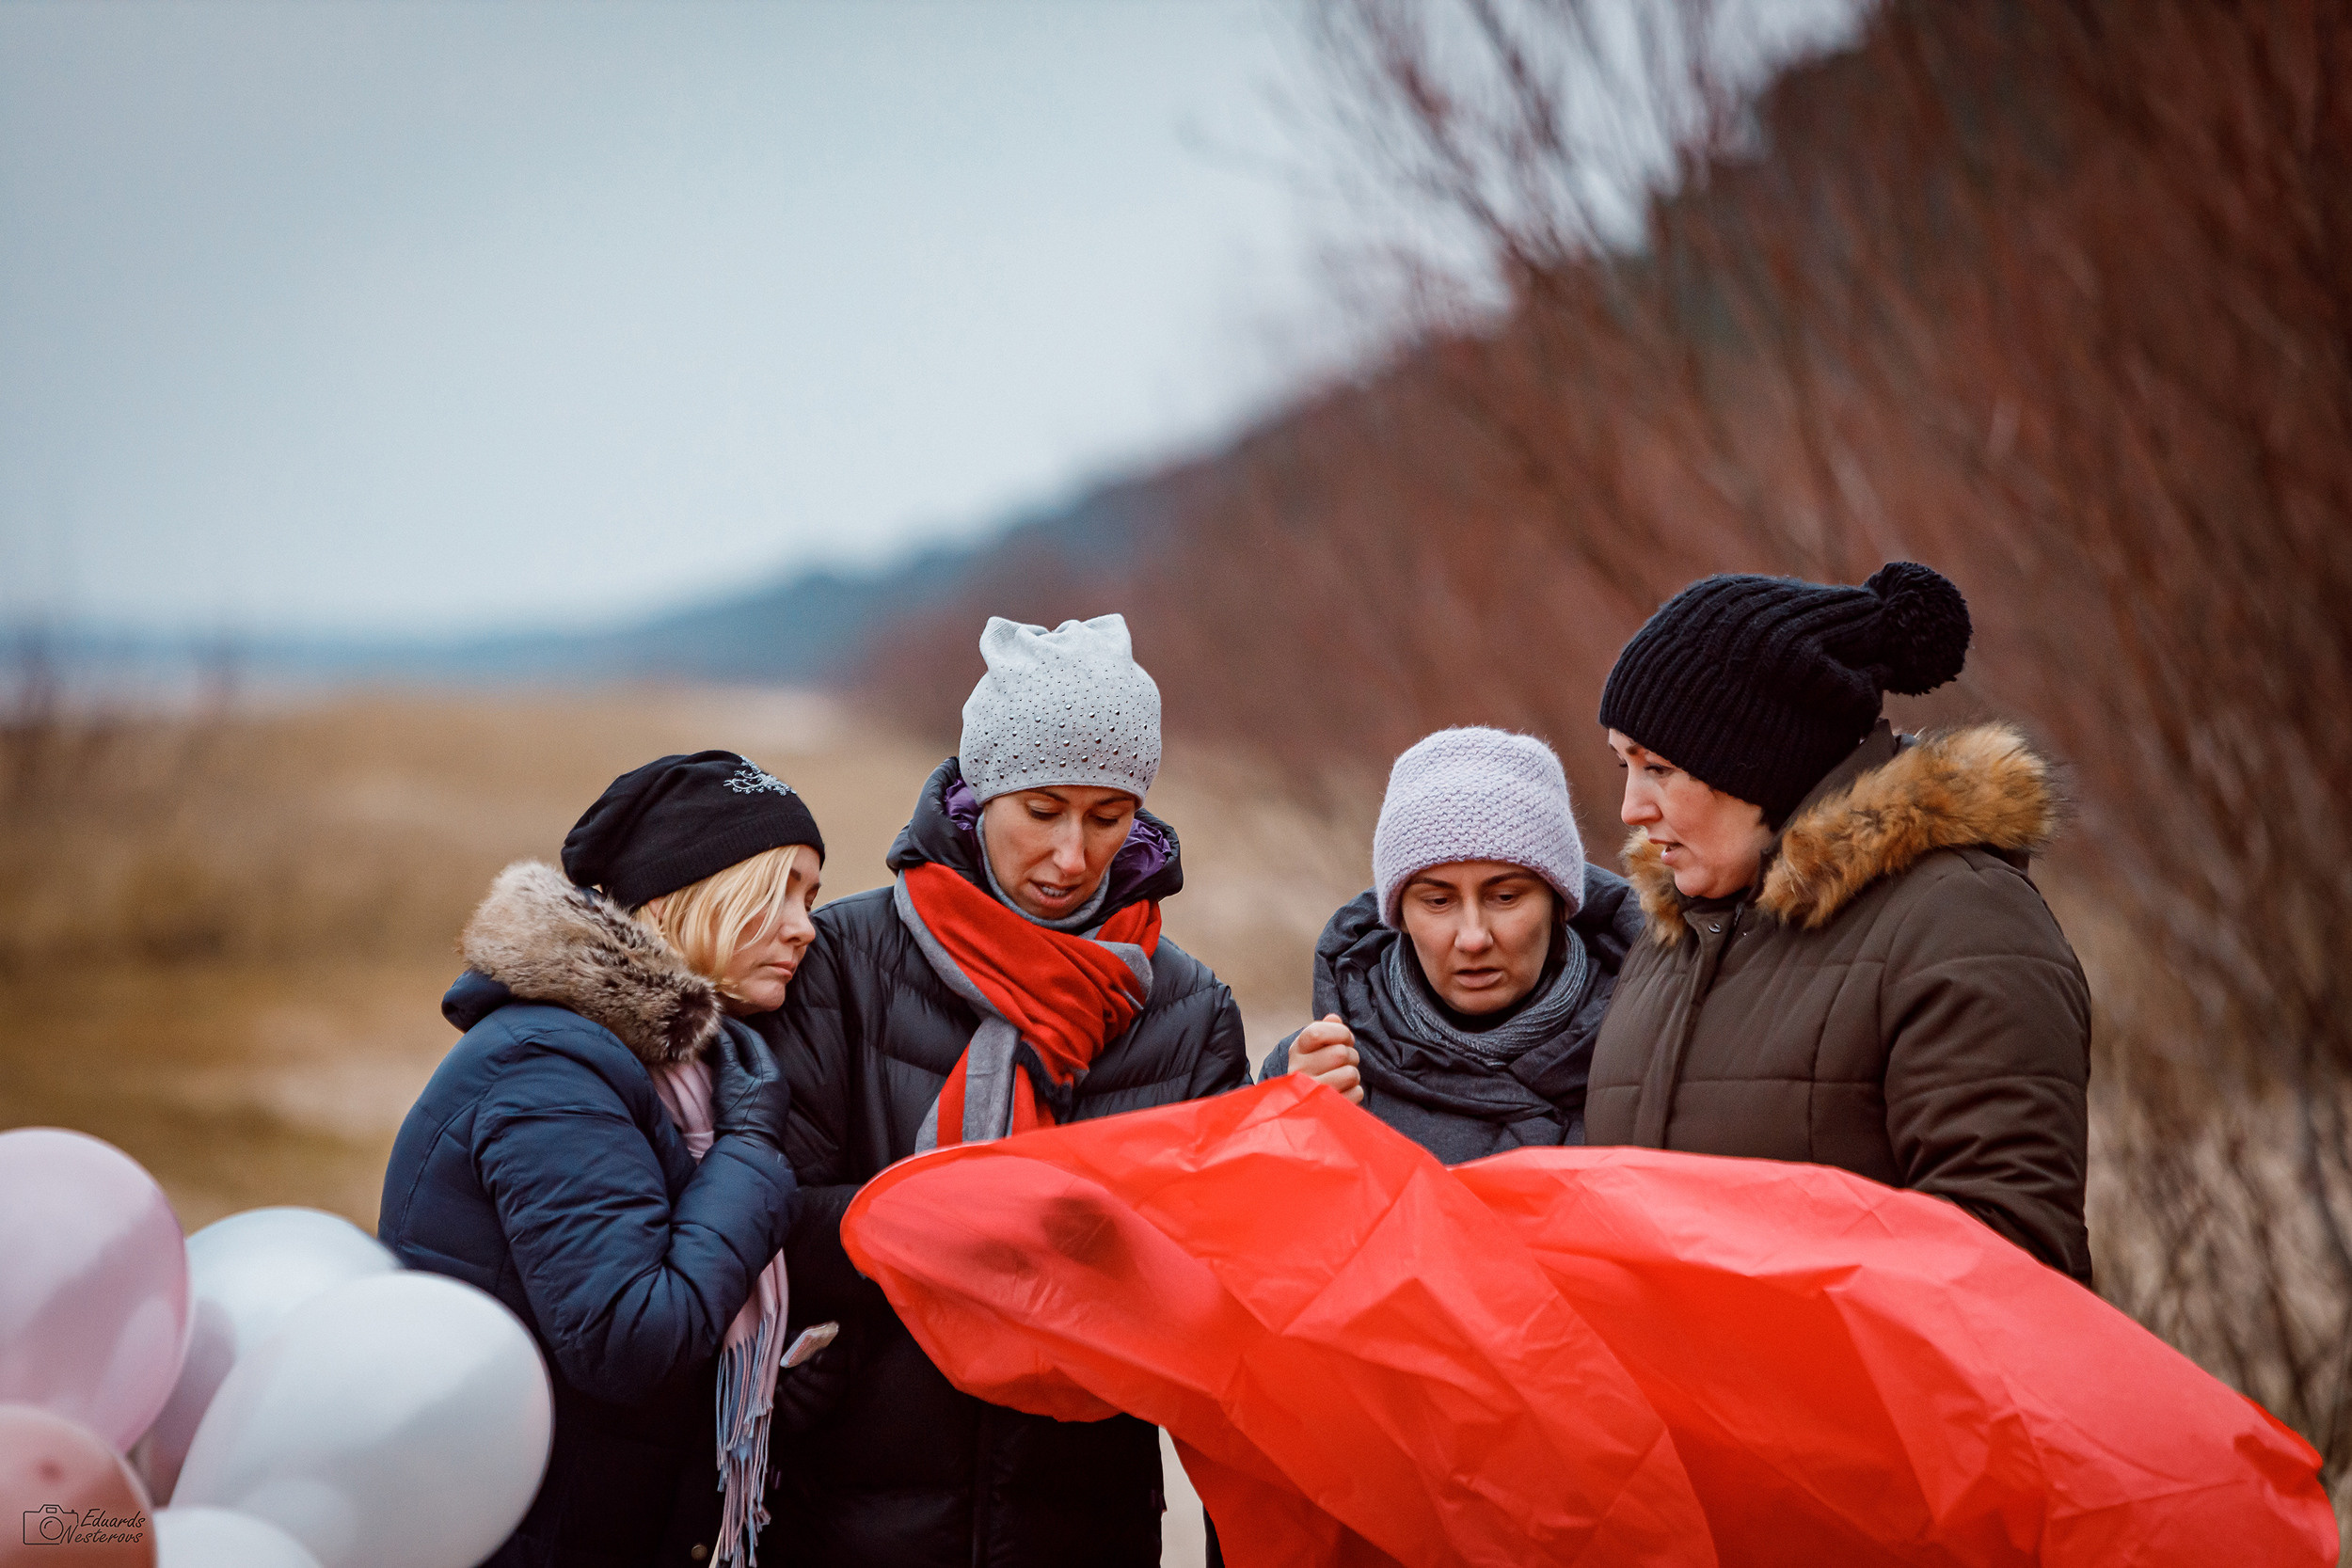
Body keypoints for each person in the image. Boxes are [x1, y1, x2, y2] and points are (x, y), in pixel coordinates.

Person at [765, 612, 1248, 1568]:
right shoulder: (843, 966)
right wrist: (976, 1224)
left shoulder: (1189, 1009)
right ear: (980, 791)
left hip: (1081, 1518)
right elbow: (774, 1218)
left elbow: (1211, 1295)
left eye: (1107, 817)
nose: (1072, 855)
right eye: (1044, 809)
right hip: (850, 1516)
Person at [1583, 562, 2095, 1283]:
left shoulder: (1963, 926)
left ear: (1760, 760)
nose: (1632, 807)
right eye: (1624, 765)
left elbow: (2006, 1265)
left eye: (1659, 767)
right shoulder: (1675, 931)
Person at [379, 751, 824, 1568]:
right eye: (775, 891)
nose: (805, 925)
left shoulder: (675, 1064)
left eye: (811, 894)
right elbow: (630, 1338)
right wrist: (751, 1151)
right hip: (528, 1530)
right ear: (668, 901)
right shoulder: (548, 1066)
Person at [1261, 726, 1644, 1161]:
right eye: (1438, 901)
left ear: (1559, 903)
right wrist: (1286, 1132)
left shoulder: (1656, 1043)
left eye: (1505, 897)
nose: (1474, 937)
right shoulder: (1319, 1070)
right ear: (1399, 915)